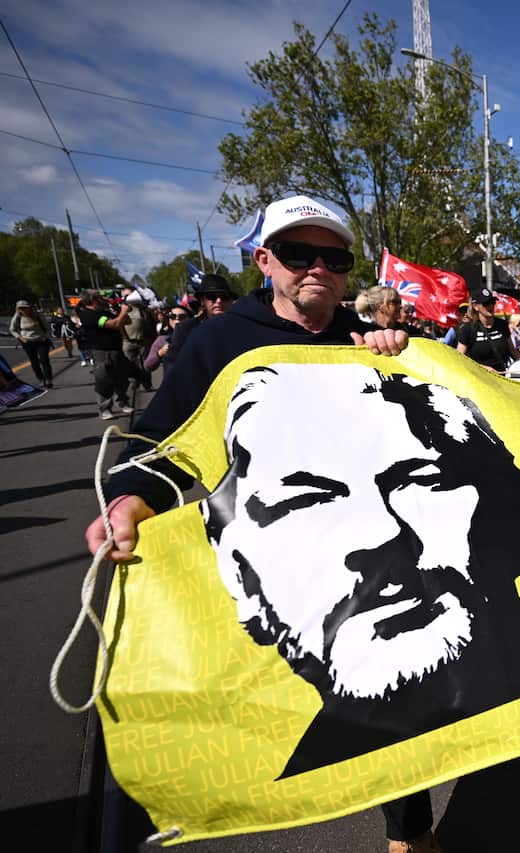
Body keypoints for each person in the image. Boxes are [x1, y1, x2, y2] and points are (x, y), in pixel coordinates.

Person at [82, 194, 421, 853]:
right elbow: (165, 441)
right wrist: (129, 498)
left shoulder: (367, 339)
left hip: (366, 549)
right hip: (269, 558)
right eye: (299, 253)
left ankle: (411, 831)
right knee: (269, 704)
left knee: (399, 693)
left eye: (334, 256)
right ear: (266, 260)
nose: (317, 267)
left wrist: (396, 357)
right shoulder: (219, 340)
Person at [204, 363, 520, 778]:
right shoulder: (282, 776)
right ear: (238, 568)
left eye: (420, 482)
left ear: (501, 510)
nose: (377, 534)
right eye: (307, 501)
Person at [77, 291, 133, 418]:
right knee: (104, 380)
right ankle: (105, 409)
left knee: (122, 378)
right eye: (100, 298)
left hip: (116, 350)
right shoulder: (88, 314)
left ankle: (123, 402)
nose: (104, 299)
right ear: (94, 300)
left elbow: (127, 322)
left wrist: (121, 311)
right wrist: (123, 312)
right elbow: (114, 324)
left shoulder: (105, 312)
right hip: (102, 352)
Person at [164, 274, 236, 367]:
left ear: (231, 301)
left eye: (224, 297)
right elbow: (171, 367)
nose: (219, 301)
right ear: (202, 301)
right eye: (212, 297)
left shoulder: (241, 328)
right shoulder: (185, 330)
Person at [456, 288, 517, 373]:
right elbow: (459, 358)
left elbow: (513, 351)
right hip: (479, 378)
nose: (491, 306)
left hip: (502, 378)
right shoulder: (468, 329)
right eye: (486, 303)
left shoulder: (502, 324)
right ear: (475, 306)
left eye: (492, 302)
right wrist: (484, 368)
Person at [10, 300, 55, 389]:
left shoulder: (38, 315)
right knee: (34, 361)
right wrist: (20, 338)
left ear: (29, 307)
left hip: (41, 340)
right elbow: (12, 329)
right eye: (20, 308)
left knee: (44, 360)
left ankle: (49, 380)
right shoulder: (18, 316)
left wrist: (45, 337)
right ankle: (41, 379)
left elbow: (48, 328)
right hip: (27, 342)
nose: (23, 310)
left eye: (24, 308)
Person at [143, 305, 191, 375]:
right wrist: (160, 353)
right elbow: (147, 366)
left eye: (182, 317)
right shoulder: (162, 340)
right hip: (172, 384)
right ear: (169, 320)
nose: (177, 319)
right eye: (173, 316)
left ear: (189, 319)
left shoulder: (196, 337)